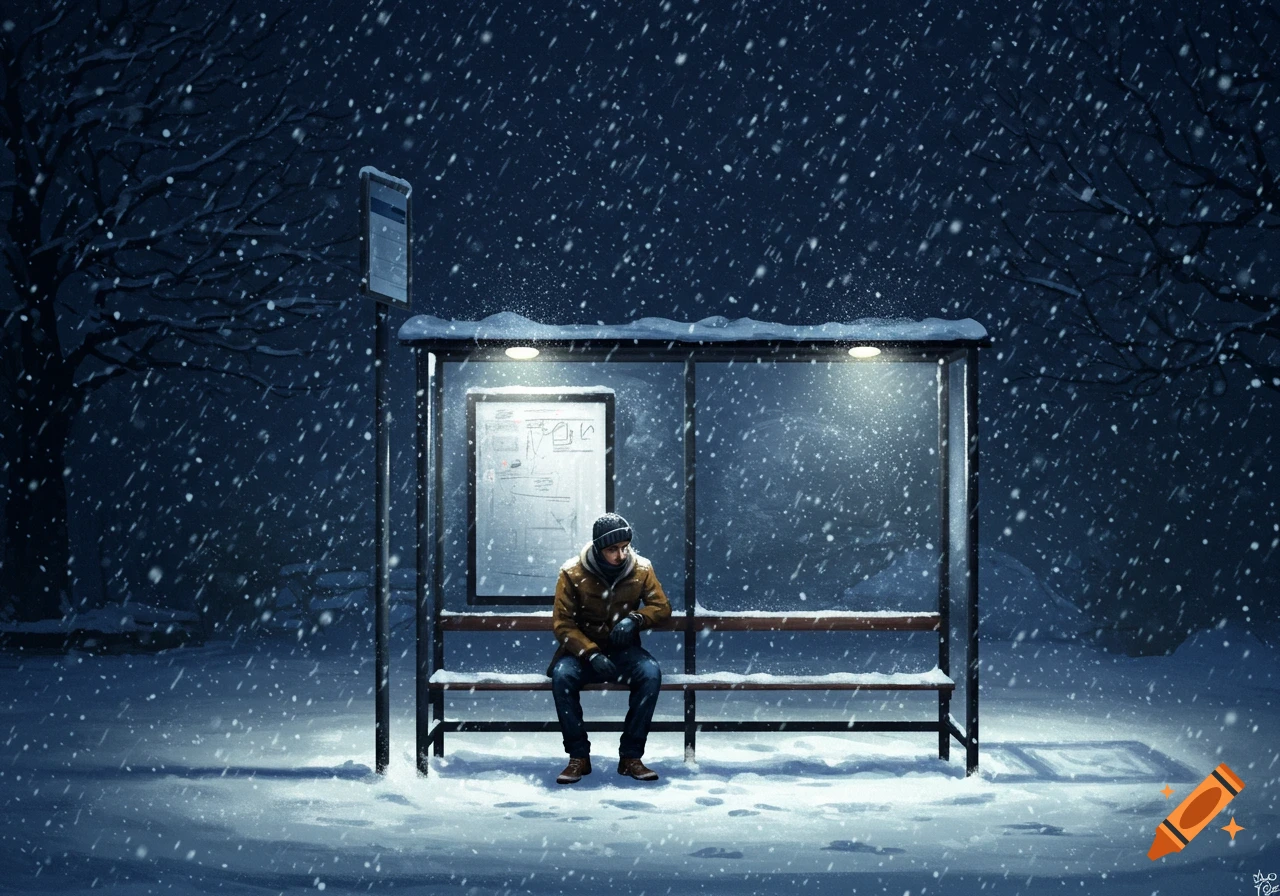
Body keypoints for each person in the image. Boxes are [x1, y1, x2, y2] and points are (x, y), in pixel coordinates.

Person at [547, 512, 671, 784]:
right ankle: (578, 756)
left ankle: (631, 757)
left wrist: (636, 619)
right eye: (613, 549)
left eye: (625, 547)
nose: (621, 554)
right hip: (580, 654)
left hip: (623, 651)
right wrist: (590, 652)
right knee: (562, 676)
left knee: (650, 673)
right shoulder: (572, 572)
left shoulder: (641, 569)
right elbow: (563, 623)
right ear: (598, 548)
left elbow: (661, 608)